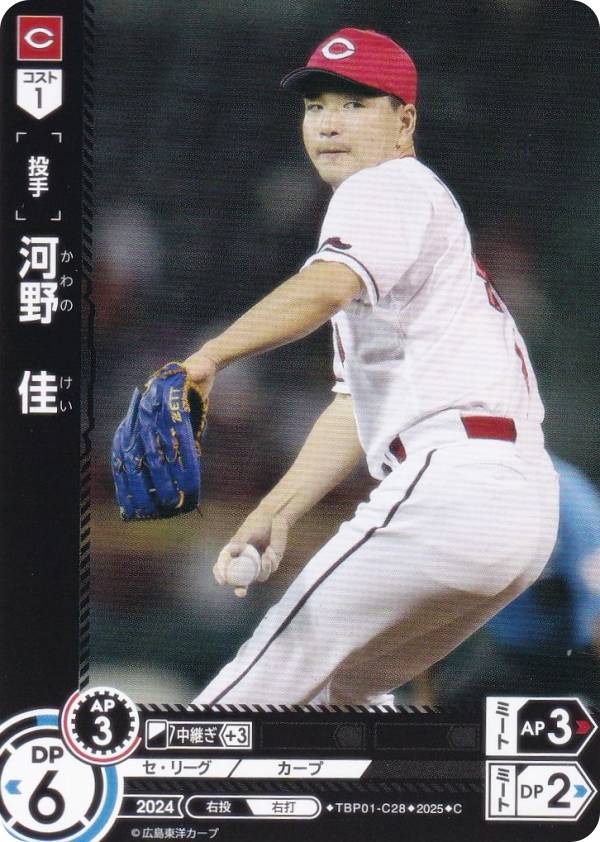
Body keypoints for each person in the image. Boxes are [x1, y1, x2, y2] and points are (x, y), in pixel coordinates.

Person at [181, 28, 559, 705]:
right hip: (512, 505)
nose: (328, 123)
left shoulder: (385, 185)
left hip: (456, 484)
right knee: (342, 699)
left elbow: (324, 287)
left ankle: (164, 774)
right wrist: (277, 509)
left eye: (355, 104)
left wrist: (211, 354)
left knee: (270, 672)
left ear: (404, 122)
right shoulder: (408, 215)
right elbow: (356, 404)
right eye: (316, 106)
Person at [427, 456, 600, 706]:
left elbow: (597, 618)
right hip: (510, 652)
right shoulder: (461, 495)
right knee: (449, 708)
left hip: (577, 658)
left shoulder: (567, 498)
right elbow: (424, 603)